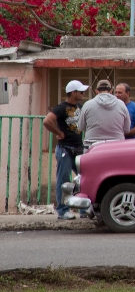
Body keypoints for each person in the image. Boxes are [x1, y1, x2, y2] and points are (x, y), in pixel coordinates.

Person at [42, 80, 88, 220]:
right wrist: (58, 132)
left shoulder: (79, 106)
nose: (83, 93)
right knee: (63, 179)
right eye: (80, 92)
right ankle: (63, 211)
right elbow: (47, 121)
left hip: (78, 147)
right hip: (65, 148)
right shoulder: (61, 107)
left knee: (84, 178)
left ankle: (83, 209)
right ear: (73, 93)